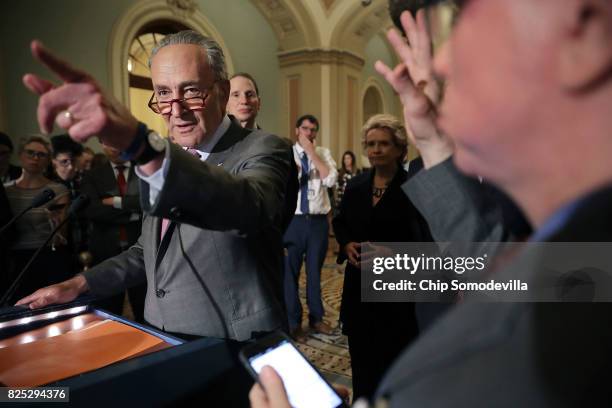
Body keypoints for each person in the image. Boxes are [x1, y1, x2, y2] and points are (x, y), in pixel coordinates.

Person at [250, 0, 612, 406]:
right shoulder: (582, 247)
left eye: (465, 20)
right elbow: (507, 276)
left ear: (582, 32)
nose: (437, 66)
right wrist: (436, 141)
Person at [17, 30, 292, 342]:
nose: (176, 111)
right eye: (163, 93)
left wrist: (142, 146)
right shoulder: (160, 158)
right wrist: (79, 284)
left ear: (223, 90)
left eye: (190, 91)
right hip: (159, 337)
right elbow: (146, 252)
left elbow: (249, 208)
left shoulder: (263, 147)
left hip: (233, 345)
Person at [332, 114, 432, 401]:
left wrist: (395, 253)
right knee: (362, 368)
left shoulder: (415, 189)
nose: (375, 150)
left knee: (394, 367)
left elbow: (428, 241)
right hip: (358, 292)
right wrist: (346, 243)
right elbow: (341, 222)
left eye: (384, 144)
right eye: (371, 144)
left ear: (401, 149)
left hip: (396, 294)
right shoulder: (356, 186)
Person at [283, 114, 338, 340]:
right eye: (305, 128)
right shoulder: (287, 153)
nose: (309, 133)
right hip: (293, 222)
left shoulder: (323, 153)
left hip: (317, 222)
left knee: (315, 273)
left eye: (313, 130)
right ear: (297, 130)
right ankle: (293, 322)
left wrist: (312, 153)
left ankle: (316, 319)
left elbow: (330, 179)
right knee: (290, 274)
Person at [226, 72, 298, 233]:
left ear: (259, 103)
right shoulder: (215, 146)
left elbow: (288, 200)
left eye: (249, 94)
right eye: (236, 95)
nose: (244, 100)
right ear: (225, 103)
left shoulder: (279, 147)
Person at [80, 143, 144, 321]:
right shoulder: (93, 175)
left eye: (119, 140)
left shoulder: (144, 169)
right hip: (105, 248)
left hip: (140, 248)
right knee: (109, 310)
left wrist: (114, 202)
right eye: (109, 143)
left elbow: (147, 203)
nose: (116, 147)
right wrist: (132, 212)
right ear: (101, 145)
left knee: (143, 306)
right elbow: (92, 210)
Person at [5, 136, 72, 302]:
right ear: (20, 155)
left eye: (41, 155)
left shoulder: (57, 190)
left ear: (48, 160)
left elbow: (63, 234)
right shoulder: (6, 191)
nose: (35, 158)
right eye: (30, 153)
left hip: (48, 256)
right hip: (14, 260)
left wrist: (56, 220)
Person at [334, 150, 360, 216]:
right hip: (341, 203)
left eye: (348, 158)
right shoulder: (339, 172)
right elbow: (336, 187)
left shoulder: (358, 172)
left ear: (352, 159)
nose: (346, 160)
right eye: (345, 158)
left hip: (354, 203)